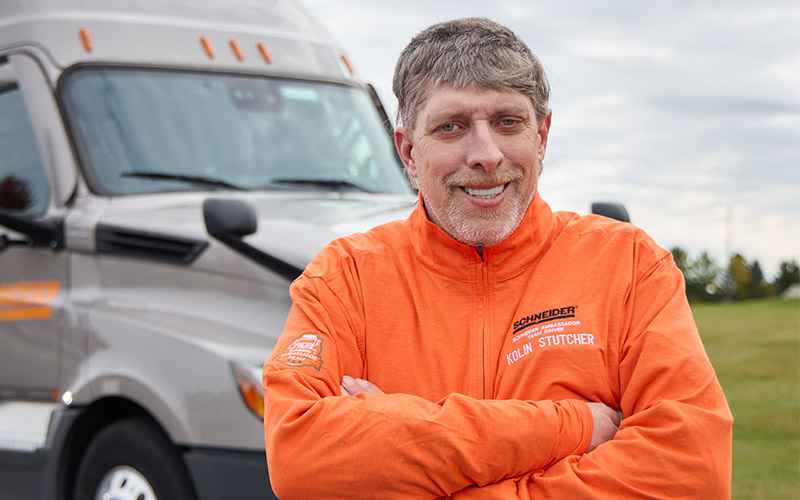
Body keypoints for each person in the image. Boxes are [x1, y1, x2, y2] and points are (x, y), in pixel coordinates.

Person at [263, 17, 732, 499]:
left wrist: (416, 464)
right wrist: (569, 426)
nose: (486, 154)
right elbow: (301, 457)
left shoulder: (630, 264)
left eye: (508, 122)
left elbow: (692, 473)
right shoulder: (345, 277)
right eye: (452, 127)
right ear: (407, 153)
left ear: (542, 136)